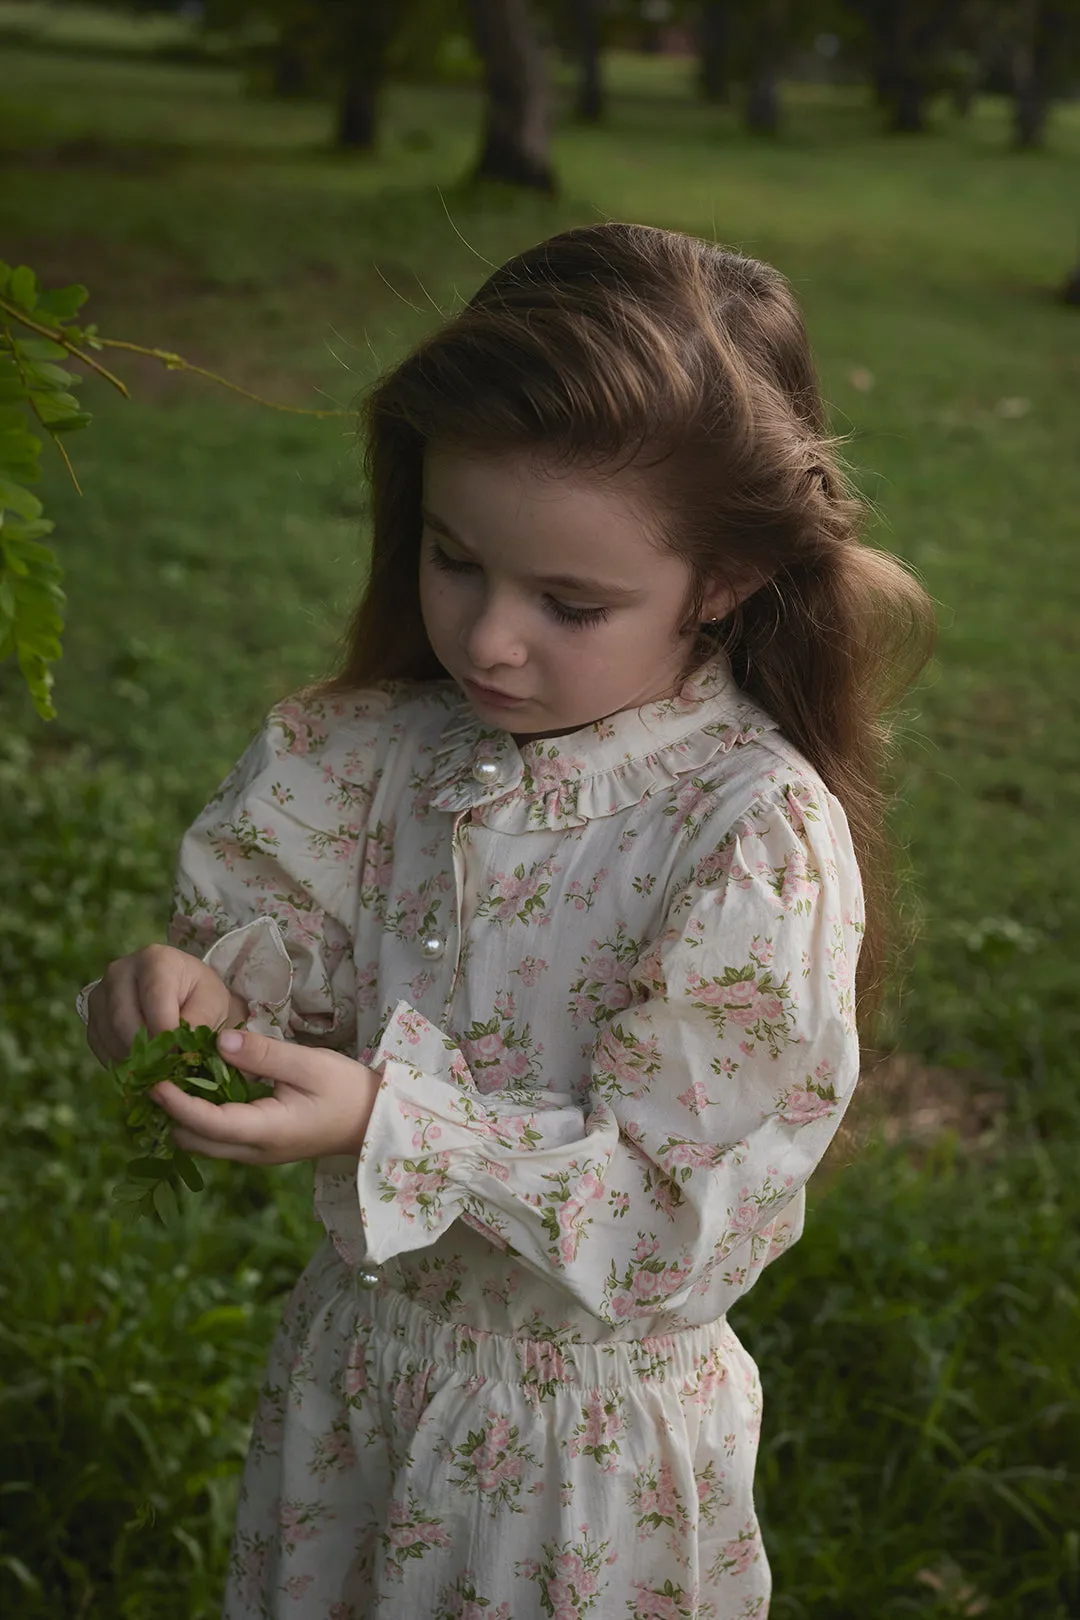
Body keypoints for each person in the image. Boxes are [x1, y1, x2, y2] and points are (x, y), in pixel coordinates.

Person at [81, 223, 934, 1620]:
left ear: (722, 581)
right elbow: (285, 983)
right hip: (356, 1386)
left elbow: (676, 1217)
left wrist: (386, 1122)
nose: (487, 639)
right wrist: (195, 1001)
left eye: (570, 601)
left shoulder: (740, 833)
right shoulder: (363, 755)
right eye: (454, 558)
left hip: (577, 1457)